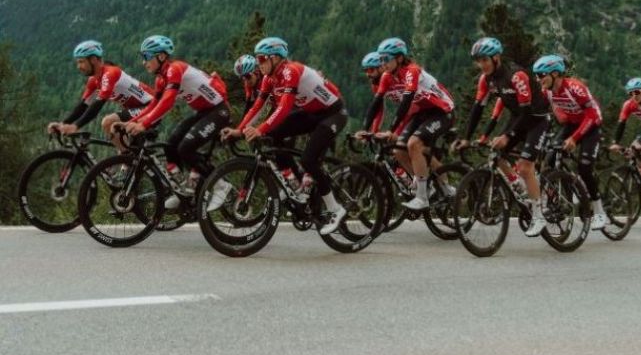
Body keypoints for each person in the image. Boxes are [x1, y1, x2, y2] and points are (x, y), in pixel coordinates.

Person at [238, 37, 349, 235]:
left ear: (275, 58)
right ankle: (296, 185)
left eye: (262, 59)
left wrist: (260, 129)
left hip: (333, 113)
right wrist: (239, 129)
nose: (259, 64)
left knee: (308, 160)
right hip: (312, 113)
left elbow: (284, 108)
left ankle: (335, 209)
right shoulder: (269, 78)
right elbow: (257, 106)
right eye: (257, 59)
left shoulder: (291, 71)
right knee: (274, 135)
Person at [454, 37, 550, 237]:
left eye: (484, 60)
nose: (481, 65)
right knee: (496, 154)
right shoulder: (486, 79)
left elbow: (527, 111)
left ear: (496, 57)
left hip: (536, 119)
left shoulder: (516, 75)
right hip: (518, 117)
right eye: (478, 61)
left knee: (525, 166)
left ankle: (539, 215)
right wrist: (466, 137)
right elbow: (477, 109)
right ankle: (519, 185)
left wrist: (508, 135)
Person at [121, 35, 231, 209]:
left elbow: (167, 102)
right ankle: (183, 190)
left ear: (161, 56)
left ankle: (221, 185)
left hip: (219, 111)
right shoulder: (161, 78)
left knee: (185, 148)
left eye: (147, 57)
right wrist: (131, 121)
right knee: (170, 145)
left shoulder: (175, 69)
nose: (144, 62)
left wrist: (143, 124)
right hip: (204, 112)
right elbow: (154, 105)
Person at [368, 37, 456, 211]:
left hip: (442, 111)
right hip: (422, 113)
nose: (383, 64)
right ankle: (427, 186)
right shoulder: (387, 76)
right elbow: (376, 104)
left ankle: (425, 196)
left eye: (386, 59)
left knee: (414, 144)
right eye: (381, 60)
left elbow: (406, 102)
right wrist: (366, 130)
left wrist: (391, 130)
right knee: (399, 150)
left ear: (399, 58)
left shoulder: (411, 71)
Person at [532, 54, 607, 230]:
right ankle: (564, 193)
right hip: (572, 124)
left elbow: (593, 114)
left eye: (541, 75)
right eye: (536, 76)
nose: (538, 79)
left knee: (585, 167)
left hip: (591, 125)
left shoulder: (575, 87)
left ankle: (599, 212)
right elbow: (540, 113)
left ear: (555, 74)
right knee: (550, 159)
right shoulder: (547, 91)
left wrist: (574, 138)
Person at [48, 40, 153, 152]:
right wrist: (63, 124)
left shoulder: (110, 73)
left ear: (93, 59)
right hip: (134, 110)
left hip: (151, 106)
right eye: (77, 62)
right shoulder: (94, 80)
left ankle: (126, 157)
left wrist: (76, 126)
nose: (78, 66)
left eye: (81, 62)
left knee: (108, 122)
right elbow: (84, 105)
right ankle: (129, 157)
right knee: (127, 145)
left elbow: (98, 104)